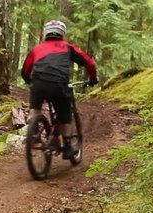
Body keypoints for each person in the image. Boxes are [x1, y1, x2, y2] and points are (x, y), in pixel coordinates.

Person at [21, 20, 98, 159]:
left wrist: (30, 82)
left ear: (46, 33)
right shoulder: (67, 47)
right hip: (58, 85)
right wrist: (93, 78)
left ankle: (33, 134)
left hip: (38, 84)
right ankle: (67, 145)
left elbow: (25, 70)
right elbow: (90, 63)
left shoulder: (37, 48)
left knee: (35, 108)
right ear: (62, 33)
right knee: (65, 115)